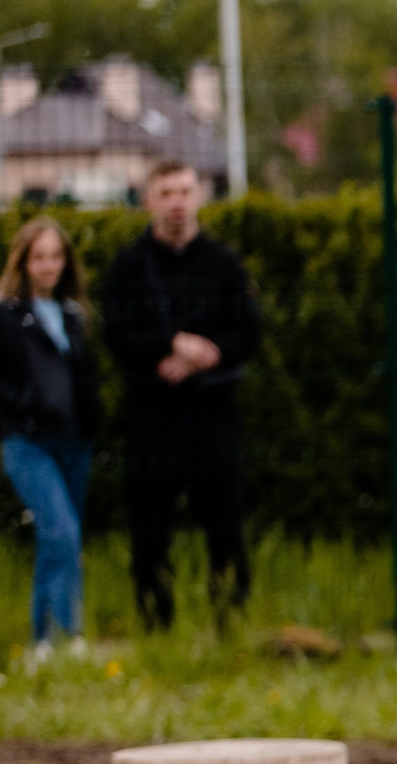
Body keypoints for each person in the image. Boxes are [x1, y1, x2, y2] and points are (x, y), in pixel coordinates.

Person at [100, 160, 262, 630]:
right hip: (152, 417)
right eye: (166, 192)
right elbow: (117, 337)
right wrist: (170, 343)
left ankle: (230, 614)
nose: (177, 202)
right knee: (150, 523)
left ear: (199, 197)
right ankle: (155, 617)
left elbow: (248, 333)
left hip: (214, 413)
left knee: (225, 517)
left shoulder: (224, 264)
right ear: (149, 199)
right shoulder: (128, 268)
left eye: (185, 191)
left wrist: (205, 355)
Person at [1, 218, 101, 660]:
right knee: (61, 532)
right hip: (28, 442)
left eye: (55, 256)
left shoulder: (74, 316)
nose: (47, 265)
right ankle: (68, 632)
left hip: (73, 440)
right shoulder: (7, 316)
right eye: (38, 256)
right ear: (23, 261)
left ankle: (43, 642)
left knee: (59, 538)